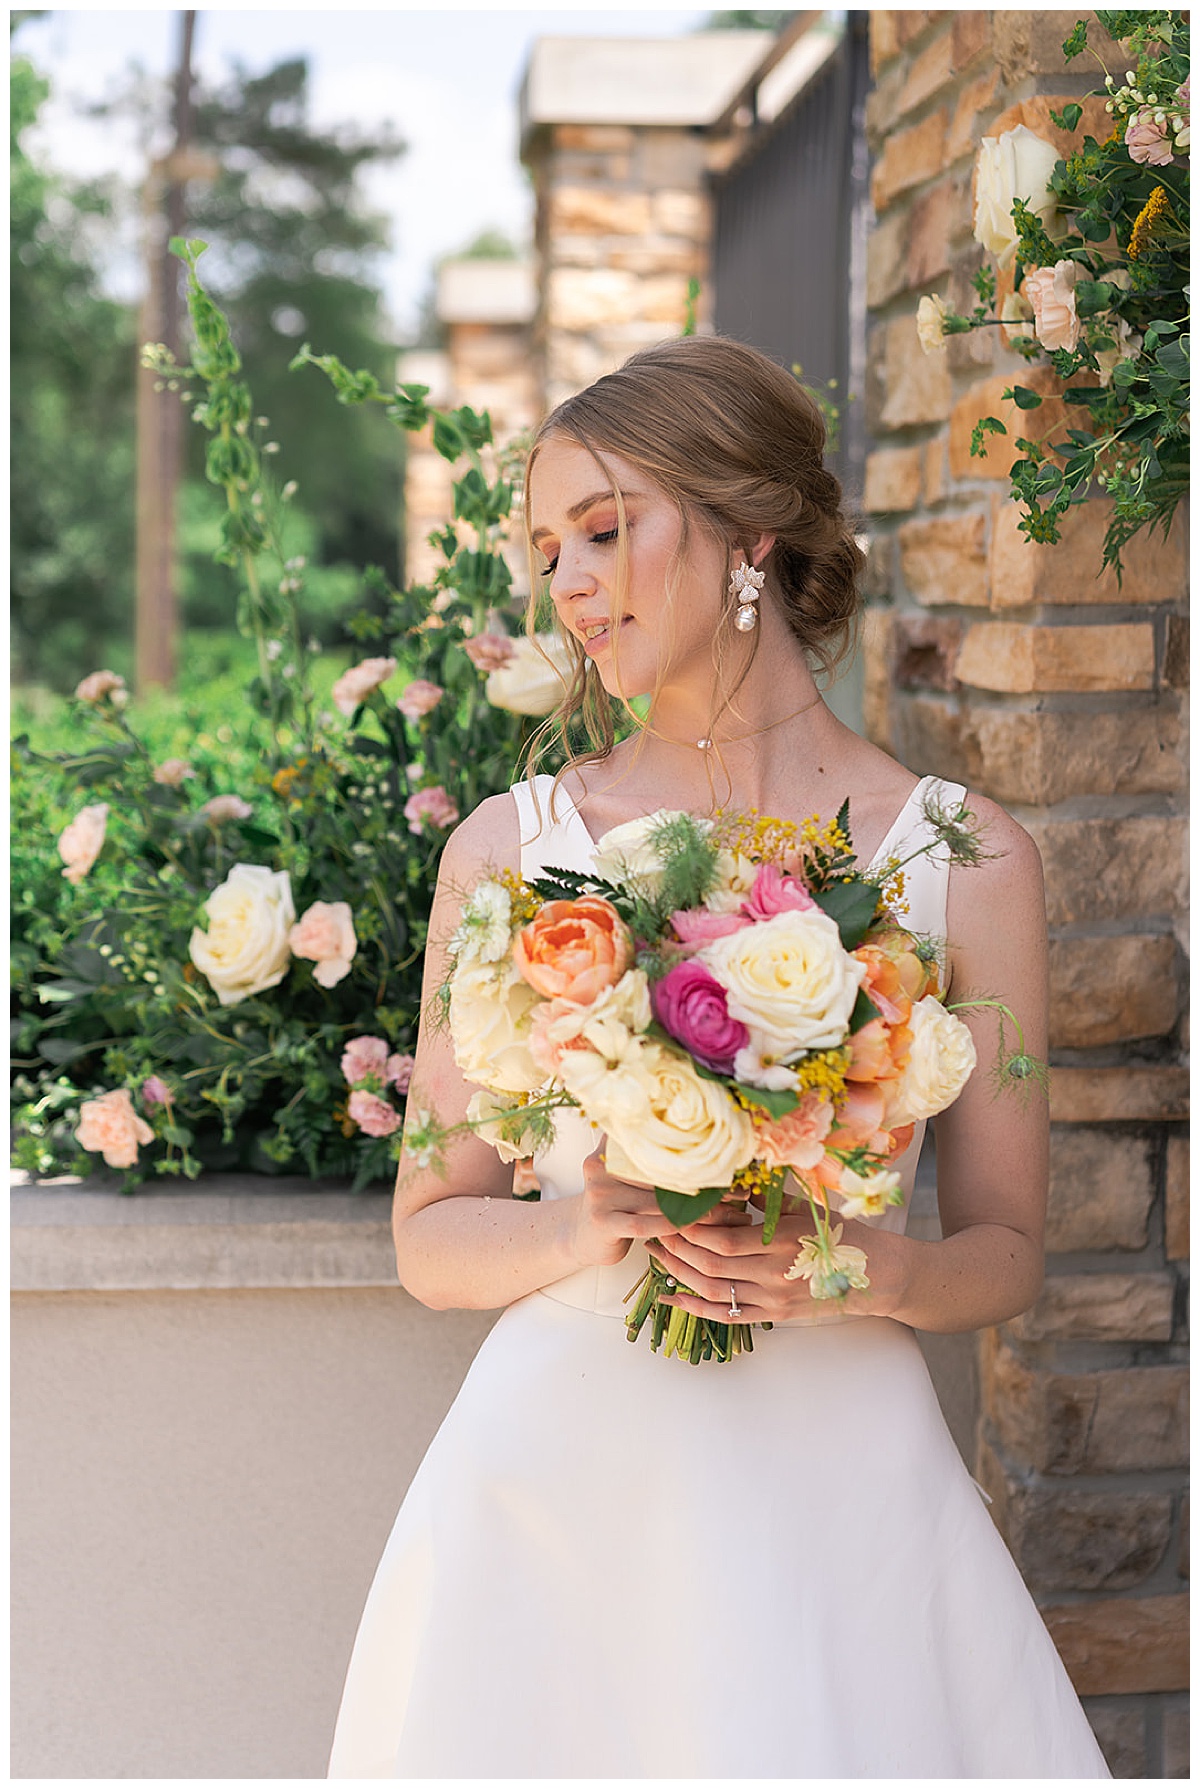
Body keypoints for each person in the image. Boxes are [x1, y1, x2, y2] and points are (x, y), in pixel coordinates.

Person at [327, 336, 1110, 1778]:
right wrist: (589, 1216)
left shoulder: (964, 858)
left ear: (750, 537)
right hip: (553, 1510)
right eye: (546, 547)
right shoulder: (511, 851)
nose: (567, 583)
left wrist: (864, 1267)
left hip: (845, 1501)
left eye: (607, 531)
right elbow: (430, 1238)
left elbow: (1003, 1250)